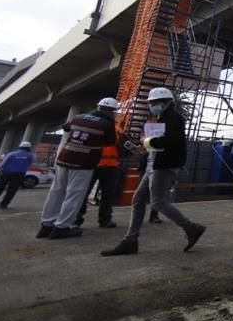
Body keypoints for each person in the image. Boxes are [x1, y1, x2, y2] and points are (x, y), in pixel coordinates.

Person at [101, 87, 205, 256]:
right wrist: (143, 148)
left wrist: (146, 141)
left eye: (155, 103)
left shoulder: (174, 118)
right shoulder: (161, 119)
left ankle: (191, 227)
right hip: (153, 164)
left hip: (163, 167)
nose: (152, 105)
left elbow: (167, 142)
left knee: (158, 202)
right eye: (151, 103)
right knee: (138, 200)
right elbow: (157, 145)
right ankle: (130, 241)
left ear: (167, 102)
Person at [37, 99, 117, 239]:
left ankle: (46, 225)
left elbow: (66, 127)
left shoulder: (78, 117)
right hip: (84, 162)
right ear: (110, 112)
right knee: (74, 195)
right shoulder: (107, 124)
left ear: (98, 106)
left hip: (64, 158)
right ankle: (62, 227)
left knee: (56, 191)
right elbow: (110, 141)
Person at [73, 98, 122, 228]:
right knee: (86, 192)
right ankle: (78, 218)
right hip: (95, 163)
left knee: (105, 194)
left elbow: (119, 145)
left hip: (107, 164)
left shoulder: (115, 126)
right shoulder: (108, 125)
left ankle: (102, 219)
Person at [0, 141, 35, 209]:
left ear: (20, 147)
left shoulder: (12, 154)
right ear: (29, 148)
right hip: (19, 174)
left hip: (6, 173)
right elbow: (30, 164)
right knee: (12, 190)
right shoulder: (30, 155)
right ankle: (4, 204)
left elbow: (3, 163)